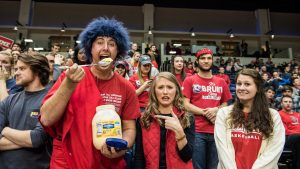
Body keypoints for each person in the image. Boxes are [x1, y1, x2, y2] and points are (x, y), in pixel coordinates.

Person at [40, 17, 140, 169]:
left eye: (112, 44)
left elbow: (129, 128)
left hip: (107, 162)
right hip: (68, 161)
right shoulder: (69, 78)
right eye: (99, 42)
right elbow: (46, 119)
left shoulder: (127, 87)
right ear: (90, 48)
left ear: (118, 51)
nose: (106, 48)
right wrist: (69, 85)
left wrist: (122, 147)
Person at [214, 68, 285, 169]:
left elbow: (274, 150)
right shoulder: (224, 113)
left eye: (247, 84)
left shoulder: (273, 116)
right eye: (239, 84)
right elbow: (223, 151)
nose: (241, 88)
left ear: (258, 88)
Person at [183, 48, 232, 169]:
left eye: (209, 58)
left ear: (212, 60)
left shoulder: (221, 82)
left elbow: (225, 104)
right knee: (197, 166)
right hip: (197, 131)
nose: (206, 61)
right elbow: (185, 104)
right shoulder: (190, 80)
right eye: (203, 58)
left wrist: (216, 110)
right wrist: (205, 113)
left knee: (214, 167)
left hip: (217, 130)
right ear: (197, 61)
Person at [0, 53, 51, 169]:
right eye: (16, 69)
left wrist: (5, 130)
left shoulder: (50, 100)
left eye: (22, 69)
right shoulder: (9, 100)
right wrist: (26, 141)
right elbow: (34, 140)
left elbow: (37, 138)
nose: (16, 73)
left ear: (37, 70)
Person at [134, 72, 194, 169]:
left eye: (170, 87)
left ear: (176, 91)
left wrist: (180, 133)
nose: (165, 92)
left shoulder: (187, 117)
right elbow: (139, 157)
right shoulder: (144, 118)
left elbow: (187, 157)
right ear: (154, 91)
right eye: (160, 87)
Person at [278, 95, 300, 169]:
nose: (288, 103)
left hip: (297, 137)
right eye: (285, 102)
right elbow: (284, 131)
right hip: (288, 137)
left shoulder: (298, 114)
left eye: (290, 102)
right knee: (297, 137)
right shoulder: (279, 114)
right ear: (281, 103)